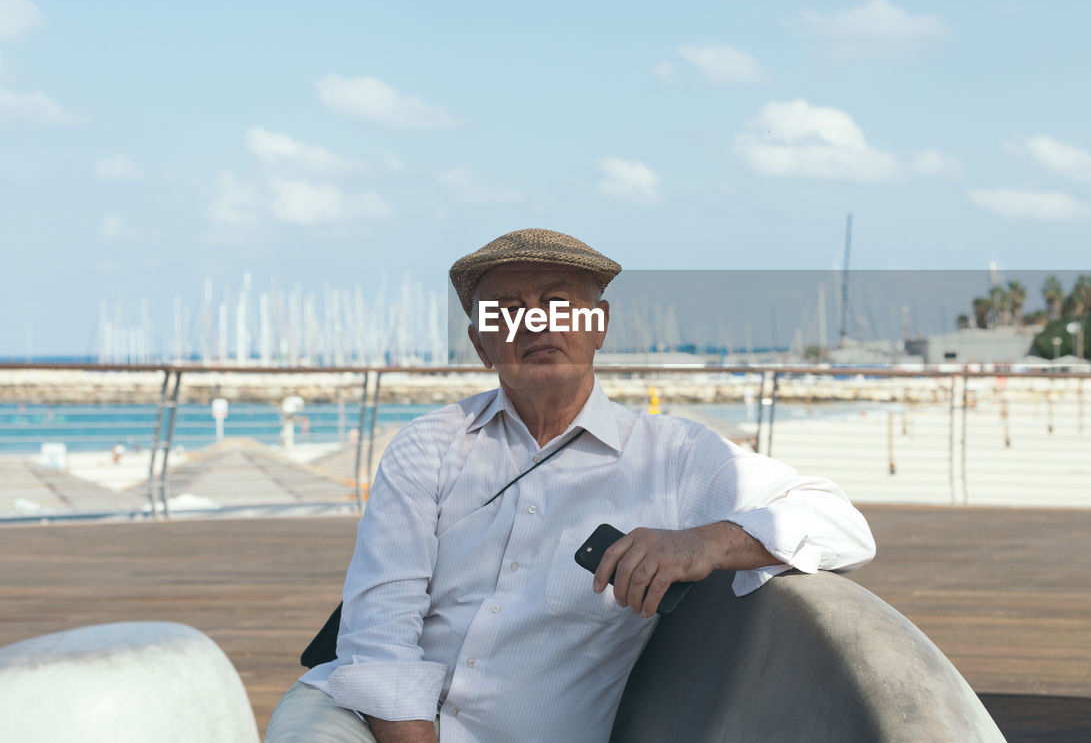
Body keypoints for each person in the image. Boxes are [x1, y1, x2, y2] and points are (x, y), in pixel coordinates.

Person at [265, 228, 876, 743]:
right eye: (506, 310)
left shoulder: (675, 456)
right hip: (362, 720)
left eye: (559, 302)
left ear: (598, 325)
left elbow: (841, 524)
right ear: (481, 343)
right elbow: (379, 635)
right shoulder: (427, 446)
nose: (537, 323)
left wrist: (707, 543)